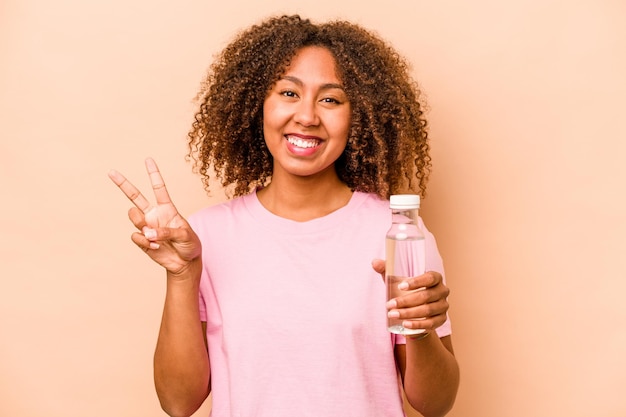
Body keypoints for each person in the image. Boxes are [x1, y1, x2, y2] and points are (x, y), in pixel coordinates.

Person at [109, 14, 459, 417]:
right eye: (288, 93)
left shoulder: (398, 233)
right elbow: (178, 402)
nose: (307, 116)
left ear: (357, 117)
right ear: (258, 106)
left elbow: (437, 404)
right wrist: (182, 276)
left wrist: (419, 327)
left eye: (330, 99)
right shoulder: (205, 237)